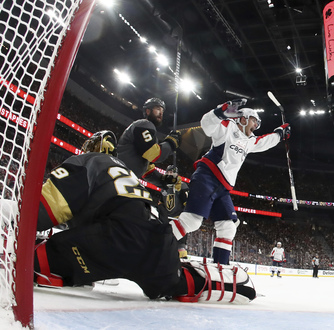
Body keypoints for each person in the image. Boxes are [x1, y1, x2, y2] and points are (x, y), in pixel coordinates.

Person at [33, 130, 256, 303]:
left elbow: (44, 210)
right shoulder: (129, 173)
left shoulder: (87, 161)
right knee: (176, 282)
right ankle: (224, 282)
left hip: (114, 239)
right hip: (159, 239)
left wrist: (18, 221)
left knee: (37, 259)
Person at [170, 99, 291, 265]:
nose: (256, 125)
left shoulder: (250, 141)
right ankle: (155, 244)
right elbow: (206, 125)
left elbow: (264, 142)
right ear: (243, 119)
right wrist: (220, 112)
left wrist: (279, 134)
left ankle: (221, 269)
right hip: (207, 178)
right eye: (254, 120)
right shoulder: (228, 127)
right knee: (191, 221)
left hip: (222, 189)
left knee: (228, 227)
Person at [117, 97, 181, 179]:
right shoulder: (144, 124)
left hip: (123, 175)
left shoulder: (145, 129)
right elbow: (154, 154)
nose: (161, 113)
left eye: (162, 111)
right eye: (158, 109)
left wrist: (163, 180)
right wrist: (171, 142)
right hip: (122, 176)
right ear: (148, 111)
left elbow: (147, 171)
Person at [147, 164, 190, 258]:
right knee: (164, 237)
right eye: (168, 172)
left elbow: (186, 201)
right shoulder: (164, 185)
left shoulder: (181, 185)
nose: (169, 174)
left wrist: (186, 210)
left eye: (172, 172)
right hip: (166, 217)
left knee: (179, 244)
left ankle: (180, 254)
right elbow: (163, 200)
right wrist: (160, 206)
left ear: (176, 174)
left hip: (178, 218)